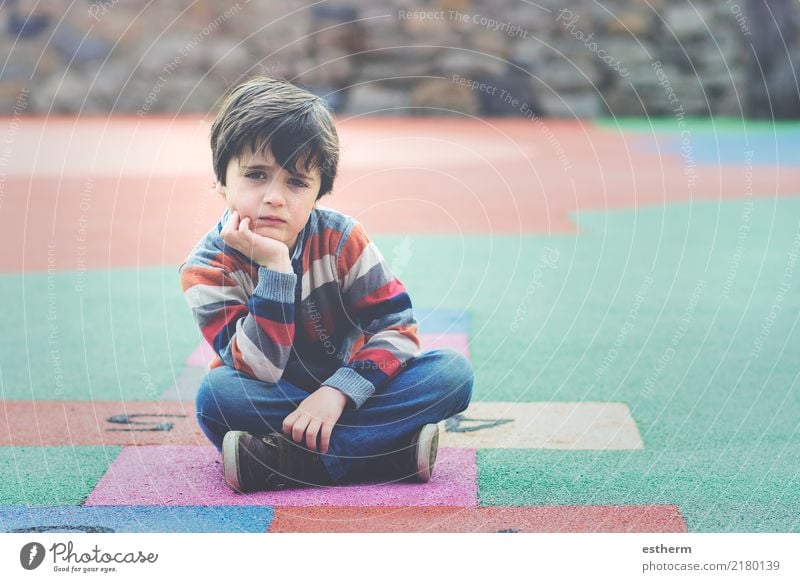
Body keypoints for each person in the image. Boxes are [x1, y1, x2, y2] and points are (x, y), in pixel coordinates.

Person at [179, 77, 474, 492]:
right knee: (217, 398)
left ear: (320, 192)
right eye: (256, 175)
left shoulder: (341, 239)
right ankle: (387, 453)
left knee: (450, 374)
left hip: (357, 388)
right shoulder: (208, 268)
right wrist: (277, 270)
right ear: (221, 181)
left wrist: (336, 394)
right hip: (272, 396)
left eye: (297, 182)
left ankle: (290, 461)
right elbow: (259, 368)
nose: (275, 197)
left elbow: (399, 329)